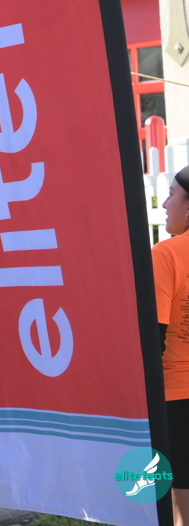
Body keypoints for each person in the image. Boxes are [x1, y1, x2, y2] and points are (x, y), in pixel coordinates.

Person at [152, 165, 189, 525]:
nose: (164, 204)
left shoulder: (168, 254)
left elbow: (153, 337)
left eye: (172, 194)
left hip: (179, 397)